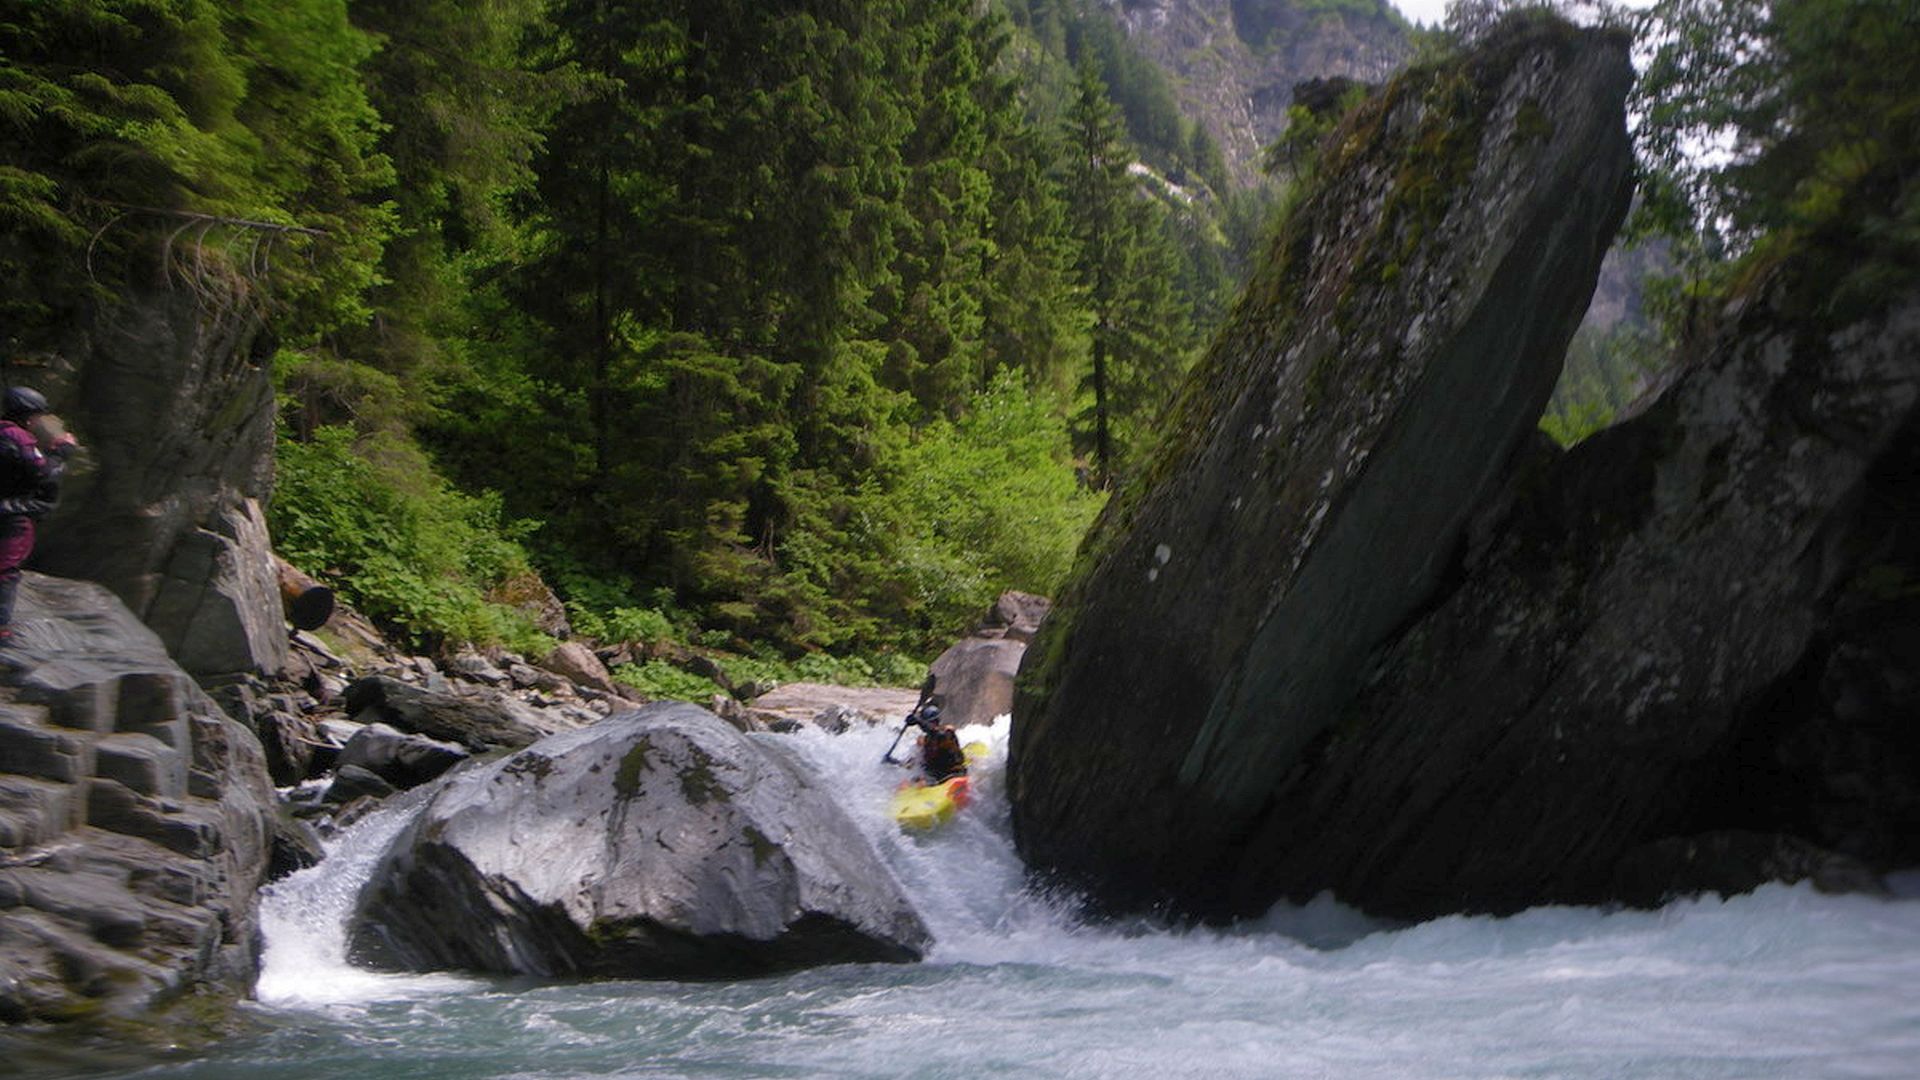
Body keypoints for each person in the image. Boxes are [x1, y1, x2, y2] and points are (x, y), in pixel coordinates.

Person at [0, 386, 78, 642]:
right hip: (12, 515)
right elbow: (45, 472)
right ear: (30, 417)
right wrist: (61, 452)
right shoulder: (18, 437)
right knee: (6, 570)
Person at [908, 703, 967, 784]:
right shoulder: (924, 740)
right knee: (913, 781)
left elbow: (937, 733)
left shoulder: (947, 733)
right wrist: (895, 763)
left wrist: (919, 721)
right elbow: (917, 762)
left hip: (952, 774)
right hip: (935, 775)